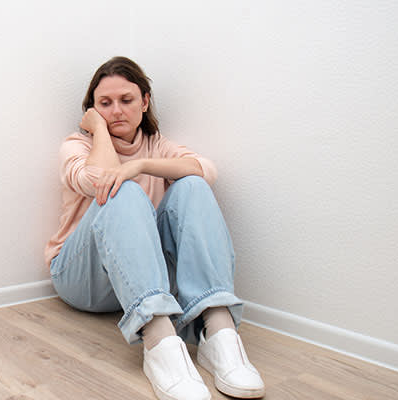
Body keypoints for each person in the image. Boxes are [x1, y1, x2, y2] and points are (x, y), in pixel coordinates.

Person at [44, 56, 266, 400]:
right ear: (92, 110)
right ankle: (159, 339)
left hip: (133, 282)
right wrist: (100, 132)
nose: (116, 110)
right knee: (120, 188)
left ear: (145, 101)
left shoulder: (156, 144)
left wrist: (143, 164)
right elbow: (100, 180)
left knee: (192, 184)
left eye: (127, 100)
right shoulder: (77, 146)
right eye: (105, 104)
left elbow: (206, 169)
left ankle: (218, 330)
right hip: (81, 278)